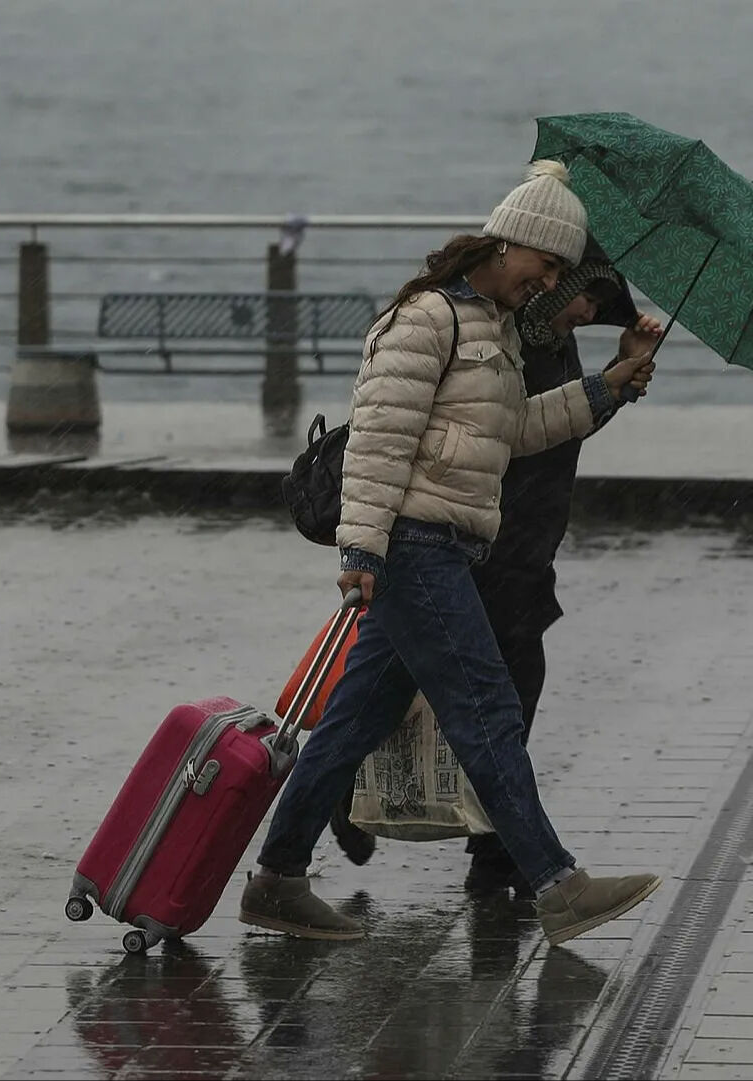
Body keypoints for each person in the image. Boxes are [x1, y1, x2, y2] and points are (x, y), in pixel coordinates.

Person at [240, 161, 663, 946]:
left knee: (350, 726)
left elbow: (515, 433)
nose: (547, 286)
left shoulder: (494, 328)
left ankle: (276, 878)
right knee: (487, 711)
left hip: (448, 547)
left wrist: (612, 385)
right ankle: (558, 885)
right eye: (546, 267)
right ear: (515, 245)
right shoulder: (426, 318)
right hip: (414, 546)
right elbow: (377, 443)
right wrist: (362, 551)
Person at [325, 241, 660, 893]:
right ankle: (509, 856)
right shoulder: (511, 336)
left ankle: (333, 815)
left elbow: (554, 423)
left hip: (522, 540)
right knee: (482, 698)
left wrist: (617, 380)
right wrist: (370, 543)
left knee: (411, 688)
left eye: (595, 301)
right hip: (474, 539)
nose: (588, 310)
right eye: (584, 295)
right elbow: (498, 430)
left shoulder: (548, 337)